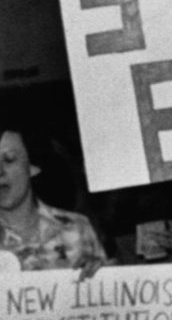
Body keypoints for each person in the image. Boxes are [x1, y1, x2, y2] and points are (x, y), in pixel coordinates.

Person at [0, 117, 106, 274]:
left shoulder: (77, 227)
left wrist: (101, 274)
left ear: (32, 168)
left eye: (9, 160)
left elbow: (105, 294)